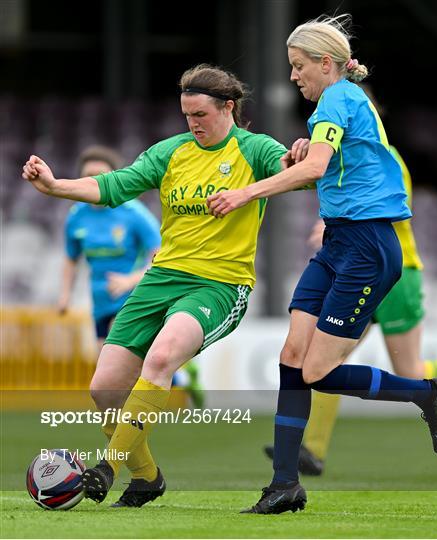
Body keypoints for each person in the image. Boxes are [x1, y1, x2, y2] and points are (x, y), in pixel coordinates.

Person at [207, 14, 437, 514]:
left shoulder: (337, 99)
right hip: (340, 244)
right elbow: (323, 168)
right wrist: (299, 158)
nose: (294, 75)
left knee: (317, 371)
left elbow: (317, 168)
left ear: (326, 63)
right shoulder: (337, 104)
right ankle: (284, 485)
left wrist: (246, 192)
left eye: (299, 66)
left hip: (367, 247)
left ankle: (427, 393)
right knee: (291, 355)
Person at [22, 64, 293, 507]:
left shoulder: (255, 149)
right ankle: (147, 477)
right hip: (160, 279)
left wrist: (296, 159)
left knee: (163, 356)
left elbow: (288, 170)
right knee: (105, 389)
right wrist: (54, 186)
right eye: (187, 115)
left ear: (228, 107)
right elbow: (114, 184)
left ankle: (106, 467)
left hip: (219, 284)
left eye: (201, 114)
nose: (193, 124)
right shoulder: (171, 152)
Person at [264, 96, 437, 477]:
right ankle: (310, 451)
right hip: (357, 266)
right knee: (325, 360)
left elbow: (387, 208)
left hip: (397, 274)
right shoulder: (342, 157)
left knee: (409, 367)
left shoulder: (385, 158)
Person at [58, 145, 161, 351]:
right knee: (108, 369)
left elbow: (162, 254)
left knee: (116, 358)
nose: (95, 181)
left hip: (133, 298)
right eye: (89, 175)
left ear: (114, 178)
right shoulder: (76, 216)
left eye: (101, 176)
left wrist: (131, 280)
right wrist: (65, 295)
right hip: (100, 301)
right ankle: (180, 377)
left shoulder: (134, 213)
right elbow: (71, 258)